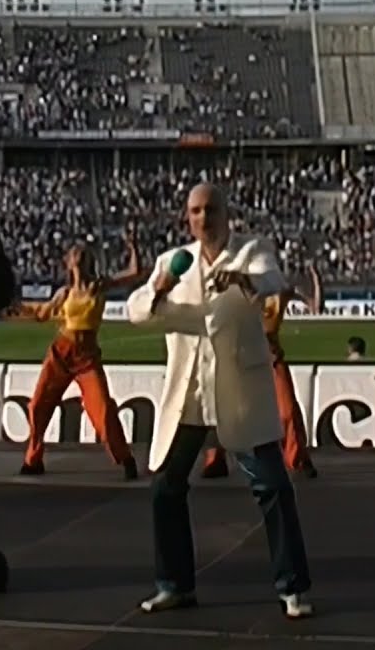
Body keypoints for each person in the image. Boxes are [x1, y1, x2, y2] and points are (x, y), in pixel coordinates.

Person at [126, 182, 313, 619]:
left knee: (273, 487)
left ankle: (292, 587)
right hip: (188, 393)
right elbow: (135, 309)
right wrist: (160, 286)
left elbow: (272, 280)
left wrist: (244, 280)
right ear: (186, 217)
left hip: (238, 392)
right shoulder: (175, 262)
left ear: (226, 214)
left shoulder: (251, 250)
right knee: (165, 487)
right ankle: (173, 584)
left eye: (210, 209)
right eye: (195, 211)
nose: (203, 218)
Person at [8, 231, 143, 479]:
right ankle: (33, 459)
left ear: (88, 260)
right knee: (38, 405)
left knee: (102, 409)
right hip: (61, 352)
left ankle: (125, 459)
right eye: (74, 253)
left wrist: (133, 246)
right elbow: (42, 314)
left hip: (87, 356)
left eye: (82, 252)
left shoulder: (99, 286)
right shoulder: (64, 293)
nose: (78, 254)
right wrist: (16, 308)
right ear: (68, 263)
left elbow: (134, 273)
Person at [200, 265, 323, 479]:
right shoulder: (241, 287)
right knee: (222, 408)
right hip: (242, 355)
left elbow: (315, 307)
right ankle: (215, 460)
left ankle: (297, 458)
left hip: (271, 356)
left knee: (288, 409)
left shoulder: (280, 290)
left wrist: (315, 280)